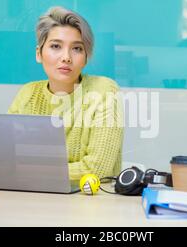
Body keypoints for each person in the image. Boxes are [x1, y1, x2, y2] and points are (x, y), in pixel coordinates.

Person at [8, 6, 123, 181]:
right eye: (56, 46)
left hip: (90, 201)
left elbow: (98, 168)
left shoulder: (104, 90)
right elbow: (7, 157)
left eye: (77, 48)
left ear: (86, 58)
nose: (66, 57)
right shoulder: (28, 94)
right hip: (33, 195)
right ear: (39, 54)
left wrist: (31, 169)